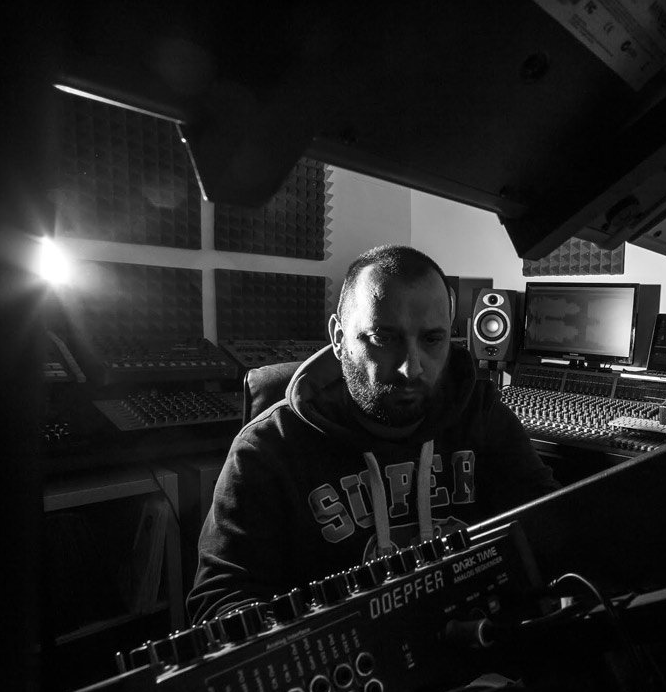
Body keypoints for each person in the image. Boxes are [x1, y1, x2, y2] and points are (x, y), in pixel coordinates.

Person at [188, 245, 559, 623]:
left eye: (432, 339)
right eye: (384, 337)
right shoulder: (267, 449)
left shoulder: (482, 416)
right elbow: (221, 601)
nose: (411, 368)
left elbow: (552, 527)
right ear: (338, 338)